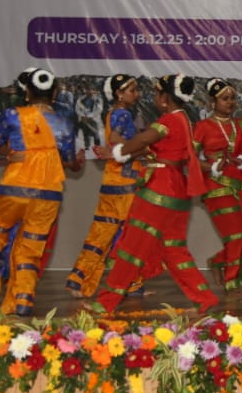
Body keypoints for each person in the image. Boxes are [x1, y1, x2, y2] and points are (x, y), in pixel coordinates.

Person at [94, 74, 220, 315]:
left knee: (133, 246)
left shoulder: (169, 120)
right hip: (177, 189)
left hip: (160, 187)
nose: (152, 98)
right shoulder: (184, 119)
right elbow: (154, 149)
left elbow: (144, 138)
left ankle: (106, 302)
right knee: (173, 248)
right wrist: (126, 151)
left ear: (165, 98)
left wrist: (119, 151)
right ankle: (205, 298)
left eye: (155, 93)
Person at [0, 67, 84, 315]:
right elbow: (69, 161)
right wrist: (78, 163)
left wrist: (11, 153)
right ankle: (23, 299)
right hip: (48, 193)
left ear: (27, 93)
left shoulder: (12, 115)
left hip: (14, 187)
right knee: (31, 247)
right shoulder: (64, 123)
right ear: (55, 93)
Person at [65, 73, 146, 299]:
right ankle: (129, 283)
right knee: (129, 233)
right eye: (132, 90)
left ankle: (80, 278)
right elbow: (117, 140)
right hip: (125, 180)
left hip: (115, 178)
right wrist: (143, 149)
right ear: (119, 94)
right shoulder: (122, 114)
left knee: (105, 232)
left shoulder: (114, 113)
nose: (136, 94)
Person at [194, 78, 242, 295]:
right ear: (212, 102)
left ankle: (217, 261)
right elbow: (190, 159)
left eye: (233, 98)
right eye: (225, 98)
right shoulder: (202, 127)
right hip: (217, 186)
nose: (230, 102)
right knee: (236, 235)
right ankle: (231, 282)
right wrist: (211, 167)